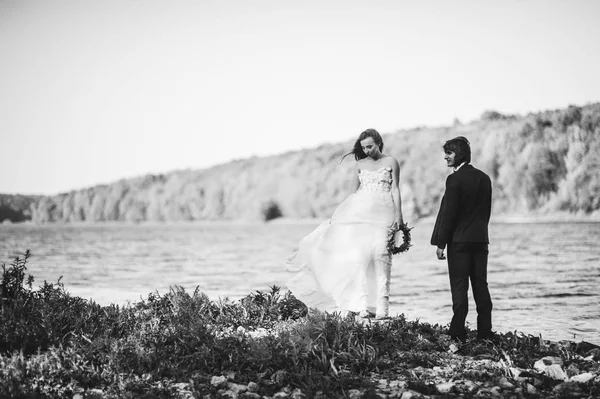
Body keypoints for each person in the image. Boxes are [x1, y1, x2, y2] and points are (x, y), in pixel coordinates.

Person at [286, 129, 404, 319]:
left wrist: (399, 218)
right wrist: (339, 216)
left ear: (379, 143)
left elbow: (396, 190)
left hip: (384, 214)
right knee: (361, 259)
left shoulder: (391, 162)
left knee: (382, 255)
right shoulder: (359, 164)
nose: (366, 150)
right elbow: (352, 194)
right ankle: (365, 305)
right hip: (360, 216)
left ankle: (383, 308)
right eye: (364, 147)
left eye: (370, 146)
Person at [430, 136, 493, 341]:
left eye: (449, 153)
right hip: (480, 239)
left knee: (459, 286)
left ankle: (458, 331)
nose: (445, 157)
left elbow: (449, 214)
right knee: (480, 285)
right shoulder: (484, 178)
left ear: (459, 155)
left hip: (459, 242)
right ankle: (485, 332)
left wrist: (441, 243)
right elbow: (486, 212)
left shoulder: (454, 179)